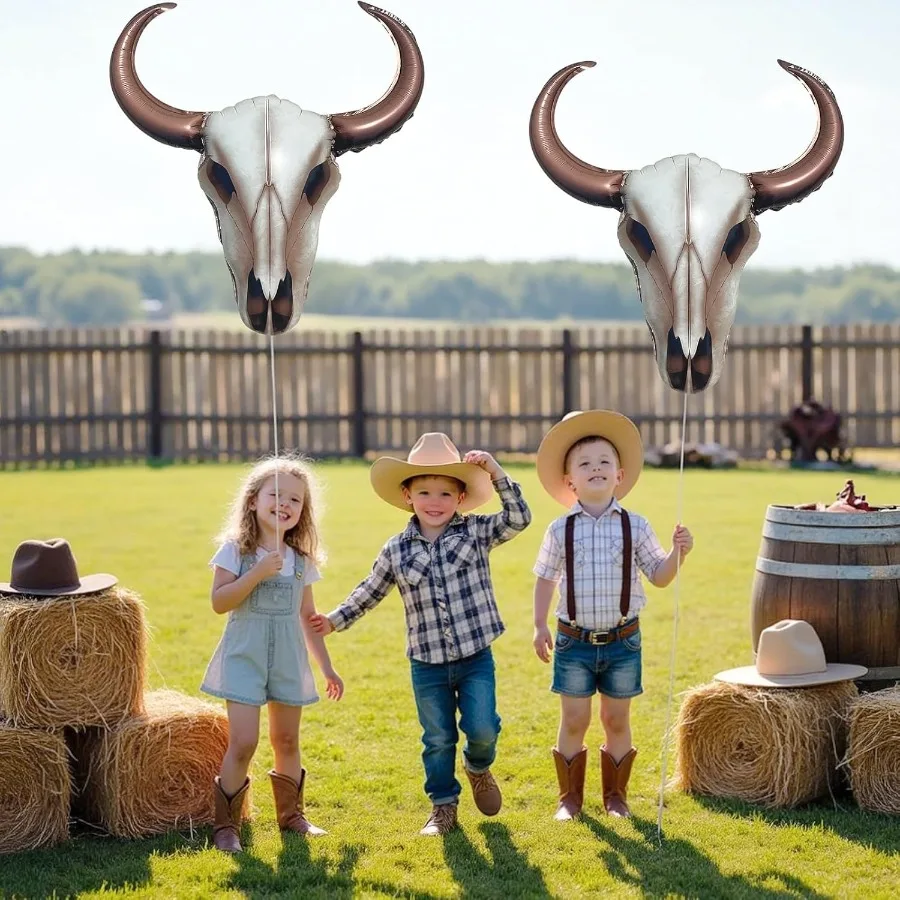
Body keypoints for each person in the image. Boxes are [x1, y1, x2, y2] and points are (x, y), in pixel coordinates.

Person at [310, 433, 531, 836]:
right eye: (424, 491)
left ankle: (478, 767)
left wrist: (496, 471)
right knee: (437, 738)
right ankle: (443, 807)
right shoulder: (396, 550)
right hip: (426, 663)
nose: (435, 501)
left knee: (482, 728)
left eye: (445, 493)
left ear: (461, 498)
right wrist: (334, 620)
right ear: (407, 496)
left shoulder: (476, 534)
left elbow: (519, 518)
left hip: (474, 656)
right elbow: (370, 590)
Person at [531, 410, 693, 821]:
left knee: (616, 719)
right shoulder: (559, 529)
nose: (595, 469)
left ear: (619, 475)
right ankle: (569, 799)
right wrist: (538, 625)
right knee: (574, 719)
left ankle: (616, 797)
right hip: (573, 641)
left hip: (623, 641)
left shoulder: (635, 526)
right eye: (584, 464)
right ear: (570, 481)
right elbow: (546, 580)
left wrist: (678, 554)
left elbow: (658, 576)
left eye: (604, 462)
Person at [200, 454, 344, 853]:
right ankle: (226, 826)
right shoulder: (235, 551)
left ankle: (291, 817)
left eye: (295, 500)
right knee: (244, 741)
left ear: (303, 511)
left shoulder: (300, 561)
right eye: (275, 494)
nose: (284, 504)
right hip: (244, 657)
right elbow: (219, 602)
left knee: (286, 739)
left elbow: (308, 617)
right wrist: (259, 572)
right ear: (252, 501)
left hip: (287, 659)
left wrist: (327, 667)